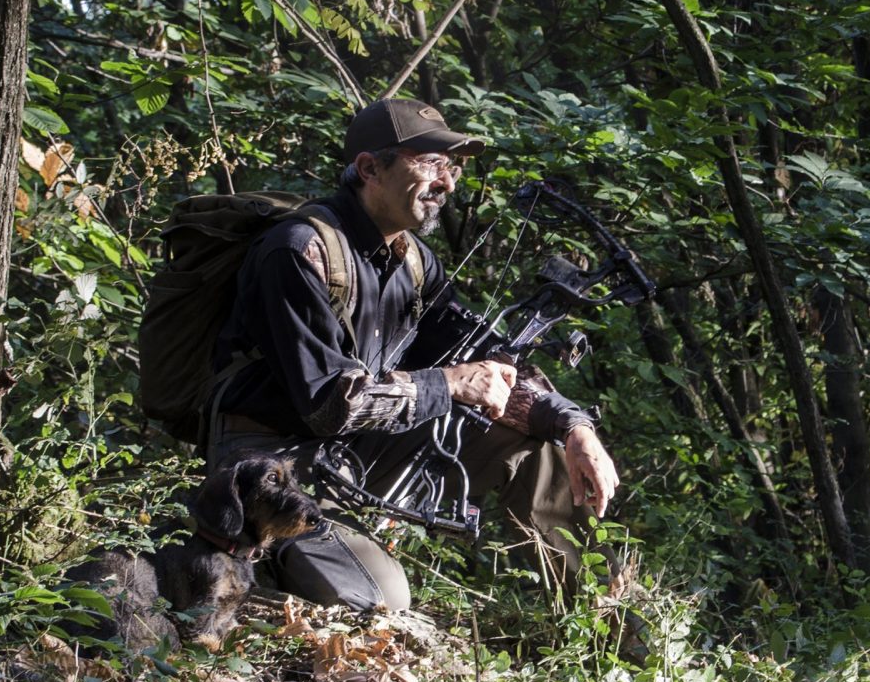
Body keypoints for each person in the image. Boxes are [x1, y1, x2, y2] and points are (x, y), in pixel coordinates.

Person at [205, 98, 621, 611]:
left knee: (539, 446)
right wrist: (449, 383)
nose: (446, 182)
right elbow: (328, 404)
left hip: (359, 451)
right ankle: (266, 554)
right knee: (382, 600)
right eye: (429, 163)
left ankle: (607, 621)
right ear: (369, 169)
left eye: (452, 167)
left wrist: (574, 427)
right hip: (278, 466)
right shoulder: (298, 252)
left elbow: (488, 362)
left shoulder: (415, 263)